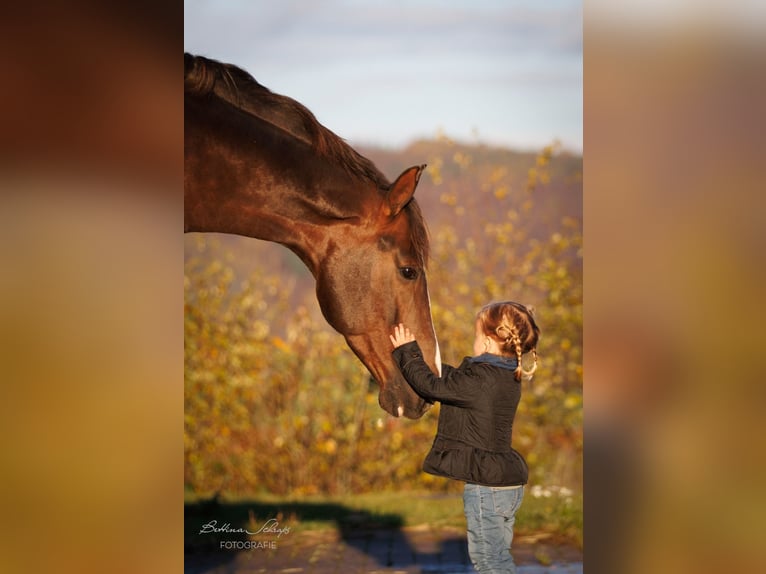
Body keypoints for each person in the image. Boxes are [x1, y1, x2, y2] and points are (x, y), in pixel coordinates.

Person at [390, 301, 540, 573]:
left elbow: (433, 386)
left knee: (488, 561)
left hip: (487, 489)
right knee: (498, 556)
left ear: (486, 343)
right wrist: (423, 361)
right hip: (507, 485)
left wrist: (407, 353)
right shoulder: (507, 376)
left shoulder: (480, 379)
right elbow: (452, 381)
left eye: (475, 336)